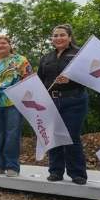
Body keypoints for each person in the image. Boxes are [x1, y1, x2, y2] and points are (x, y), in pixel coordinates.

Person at [38, 24, 88, 185]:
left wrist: (71, 79)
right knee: (53, 135)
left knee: (71, 135)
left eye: (62, 35)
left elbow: (90, 77)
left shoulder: (79, 54)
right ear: (52, 39)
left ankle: (77, 173)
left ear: (70, 37)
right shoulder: (46, 58)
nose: (58, 38)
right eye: (55, 35)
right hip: (51, 101)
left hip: (74, 100)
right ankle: (56, 171)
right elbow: (40, 81)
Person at [0, 35, 33, 177]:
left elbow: (29, 79)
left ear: (10, 45)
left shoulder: (20, 60)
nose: (0, 45)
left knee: (12, 134)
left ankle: (12, 166)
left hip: (14, 103)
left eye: (4, 43)